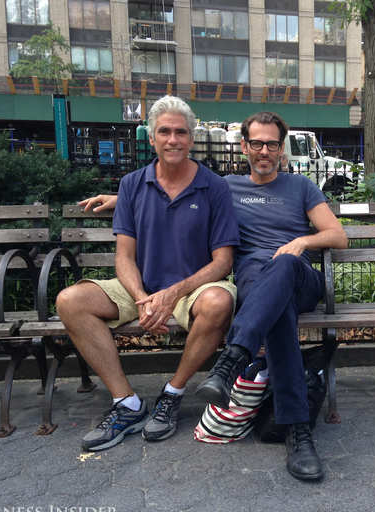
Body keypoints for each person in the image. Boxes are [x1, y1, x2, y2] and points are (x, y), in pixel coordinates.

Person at [80, 112, 348, 483]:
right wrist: (120, 196)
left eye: (272, 144)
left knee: (283, 268)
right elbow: (177, 185)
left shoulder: (301, 187)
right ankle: (298, 431)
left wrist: (301, 241)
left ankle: (231, 361)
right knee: (276, 310)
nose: (265, 151)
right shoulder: (224, 187)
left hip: (298, 275)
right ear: (244, 147)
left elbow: (337, 235)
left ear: (281, 149)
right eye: (257, 143)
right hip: (257, 281)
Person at [59, 95, 240, 452]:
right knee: (70, 300)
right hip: (141, 286)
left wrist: (171, 295)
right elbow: (124, 257)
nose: (173, 139)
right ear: (152, 138)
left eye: (181, 132)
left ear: (191, 138)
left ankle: (172, 393)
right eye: (164, 132)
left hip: (194, 287)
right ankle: (126, 403)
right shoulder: (131, 185)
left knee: (220, 301)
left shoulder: (214, 187)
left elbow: (222, 263)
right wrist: (143, 298)